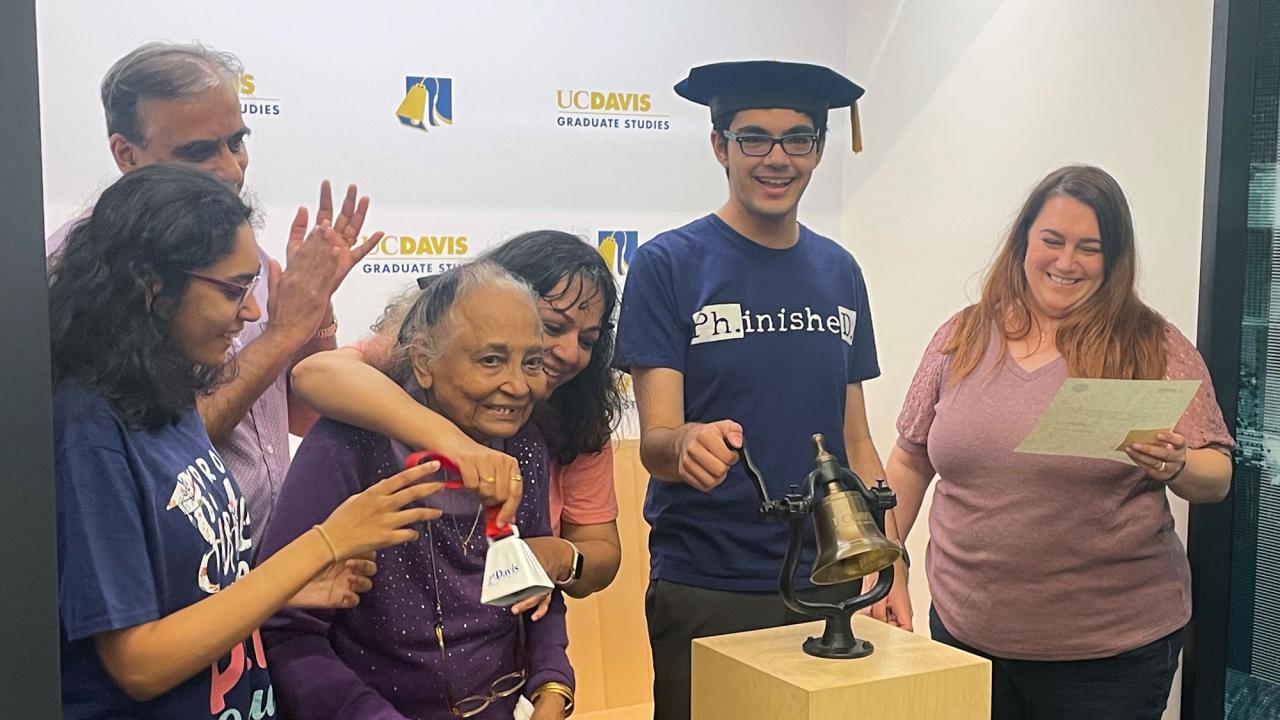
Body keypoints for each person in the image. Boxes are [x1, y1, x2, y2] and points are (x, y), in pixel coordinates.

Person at [50, 165, 442, 720]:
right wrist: (322, 545)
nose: (255, 310)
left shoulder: (168, 390)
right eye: (236, 289)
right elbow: (138, 665)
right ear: (154, 288)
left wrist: (283, 589)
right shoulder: (88, 429)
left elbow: (190, 592)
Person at [874, 164, 1233, 720]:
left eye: (1089, 248)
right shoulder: (961, 337)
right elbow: (909, 461)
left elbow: (1216, 478)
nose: (1066, 262)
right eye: (1052, 241)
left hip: (1108, 660)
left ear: (1112, 261)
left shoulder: (1151, 345)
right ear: (1023, 244)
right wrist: (886, 566)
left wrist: (1178, 463)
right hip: (964, 637)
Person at [612, 60, 882, 720]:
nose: (777, 158)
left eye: (798, 138)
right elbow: (658, 442)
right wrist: (686, 446)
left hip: (827, 585)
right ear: (719, 145)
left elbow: (857, 440)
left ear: (819, 148)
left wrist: (887, 567)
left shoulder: (839, 271)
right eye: (754, 137)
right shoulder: (667, 264)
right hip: (708, 583)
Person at [47, 41, 379, 541]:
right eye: (199, 151)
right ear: (125, 153)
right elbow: (166, 446)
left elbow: (305, 417)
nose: (230, 169)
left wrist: (316, 310)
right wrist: (284, 332)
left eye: (236, 142)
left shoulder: (244, 256)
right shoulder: (88, 271)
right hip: (174, 586)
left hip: (263, 571)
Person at [259, 262, 575, 720]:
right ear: (424, 362)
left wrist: (552, 682)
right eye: (490, 360)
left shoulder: (524, 445)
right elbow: (287, 630)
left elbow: (534, 592)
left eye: (531, 362)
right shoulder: (349, 444)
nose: (518, 385)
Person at [290, 231, 624, 601]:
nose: (569, 352)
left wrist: (562, 557)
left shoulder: (576, 418)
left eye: (588, 340)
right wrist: (458, 449)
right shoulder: (410, 356)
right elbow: (314, 375)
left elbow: (601, 549)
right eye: (552, 327)